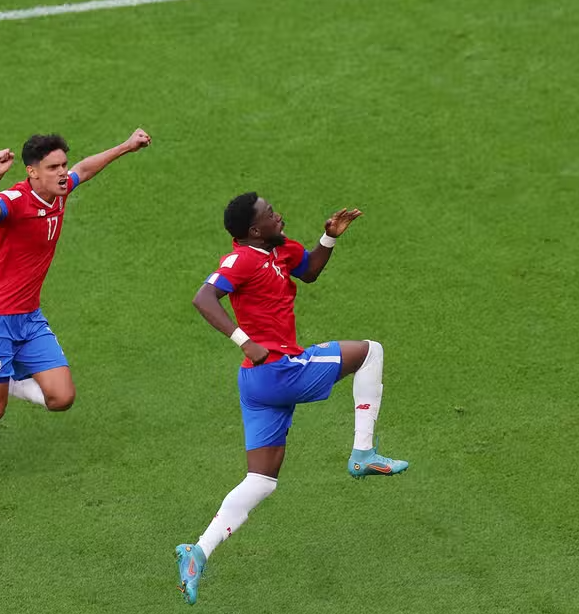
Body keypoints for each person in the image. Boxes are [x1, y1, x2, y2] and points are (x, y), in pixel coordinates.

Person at [174, 192, 409, 605]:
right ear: (253, 230)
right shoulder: (241, 260)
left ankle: (198, 552)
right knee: (370, 352)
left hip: (258, 385)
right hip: (280, 370)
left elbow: (310, 271)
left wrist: (329, 238)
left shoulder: (280, 249)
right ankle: (363, 453)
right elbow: (203, 298)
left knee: (261, 481)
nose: (278, 215)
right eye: (269, 214)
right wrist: (244, 341)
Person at [0, 129, 152, 508]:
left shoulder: (60, 191)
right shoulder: (14, 201)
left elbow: (85, 169)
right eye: (53, 167)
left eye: (62, 165)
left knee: (62, 397)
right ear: (32, 172)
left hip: (29, 318)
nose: (62, 173)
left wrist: (126, 146)